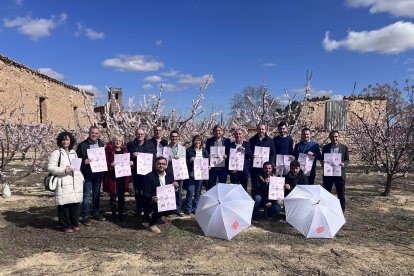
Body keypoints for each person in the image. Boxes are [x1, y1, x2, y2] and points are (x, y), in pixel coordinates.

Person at [47, 131, 84, 233]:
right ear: (60, 141)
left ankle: (74, 223)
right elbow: (50, 167)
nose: (65, 142)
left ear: (70, 140)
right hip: (63, 181)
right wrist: (63, 170)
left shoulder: (73, 152)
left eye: (67, 139)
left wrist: (79, 174)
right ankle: (65, 225)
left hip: (74, 181)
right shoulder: (56, 153)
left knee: (75, 204)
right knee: (64, 204)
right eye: (63, 140)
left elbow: (76, 165)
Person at [76, 126, 105, 226]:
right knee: (86, 195)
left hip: (98, 173)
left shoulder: (101, 144)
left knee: (97, 194)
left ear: (99, 134)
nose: (94, 135)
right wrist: (84, 161)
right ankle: (85, 215)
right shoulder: (82, 145)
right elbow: (76, 159)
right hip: (87, 173)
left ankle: (96, 213)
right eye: (92, 133)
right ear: (89, 133)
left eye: (96, 133)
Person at [143, 156, 179, 234]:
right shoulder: (149, 176)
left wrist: (175, 187)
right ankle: (151, 224)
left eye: (163, 164)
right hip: (153, 201)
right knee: (158, 207)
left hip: (165, 200)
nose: (161, 166)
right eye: (159, 164)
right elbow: (145, 193)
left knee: (173, 210)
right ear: (155, 165)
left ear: (166, 165)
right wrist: (152, 198)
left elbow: (172, 190)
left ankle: (156, 215)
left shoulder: (170, 175)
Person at [127, 128, 156, 218]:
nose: (140, 136)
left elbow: (154, 157)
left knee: (147, 192)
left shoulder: (150, 144)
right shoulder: (130, 145)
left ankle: (147, 210)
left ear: (144, 135)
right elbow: (126, 156)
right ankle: (139, 209)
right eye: (138, 134)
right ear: (135, 135)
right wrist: (132, 156)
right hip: (136, 173)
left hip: (147, 173)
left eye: (142, 134)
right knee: (138, 192)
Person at [103, 134, 131, 222]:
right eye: (116, 140)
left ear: (122, 142)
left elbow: (128, 163)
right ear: (113, 141)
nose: (118, 142)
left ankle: (121, 214)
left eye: (119, 140)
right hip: (112, 177)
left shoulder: (125, 151)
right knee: (113, 196)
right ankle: (114, 214)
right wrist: (110, 165)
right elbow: (103, 162)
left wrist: (131, 163)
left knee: (121, 197)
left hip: (122, 177)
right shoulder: (108, 150)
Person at [321, 130, 349, 212]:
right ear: (330, 137)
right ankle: (326, 210)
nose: (334, 138)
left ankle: (341, 211)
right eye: (332, 136)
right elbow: (323, 159)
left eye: (336, 136)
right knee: (326, 193)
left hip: (339, 174)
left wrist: (344, 164)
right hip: (328, 174)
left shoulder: (344, 148)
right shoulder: (325, 148)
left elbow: (347, 160)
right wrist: (322, 162)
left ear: (338, 137)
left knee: (341, 194)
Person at [249, 123, 276, 195]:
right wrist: (252, 155)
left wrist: (271, 164)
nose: (261, 131)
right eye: (259, 129)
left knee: (267, 184)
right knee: (255, 185)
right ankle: (255, 201)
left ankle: (266, 201)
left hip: (266, 168)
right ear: (257, 130)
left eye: (263, 129)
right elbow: (249, 152)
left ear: (266, 130)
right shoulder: (252, 140)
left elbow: (273, 153)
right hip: (255, 167)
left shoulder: (270, 140)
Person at [165, 130, 187, 216]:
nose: (174, 138)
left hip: (179, 172)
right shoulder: (166, 148)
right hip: (169, 173)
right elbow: (164, 160)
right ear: (170, 137)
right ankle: (168, 210)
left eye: (176, 136)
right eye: (173, 136)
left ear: (178, 137)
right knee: (169, 191)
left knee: (179, 191)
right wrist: (172, 158)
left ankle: (178, 209)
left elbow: (184, 160)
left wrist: (180, 158)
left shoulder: (182, 148)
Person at [185, 135, 208, 214]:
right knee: (190, 190)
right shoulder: (189, 150)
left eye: (199, 140)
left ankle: (196, 207)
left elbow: (206, 162)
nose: (197, 142)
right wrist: (190, 160)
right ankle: (188, 208)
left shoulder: (204, 151)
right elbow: (185, 162)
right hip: (192, 174)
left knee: (198, 191)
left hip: (201, 175)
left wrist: (208, 166)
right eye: (196, 140)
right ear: (193, 141)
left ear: (201, 142)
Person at [206, 124, 231, 190]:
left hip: (223, 168)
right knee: (211, 186)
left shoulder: (227, 141)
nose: (218, 132)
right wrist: (208, 156)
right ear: (213, 132)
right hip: (212, 168)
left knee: (222, 186)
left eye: (219, 130)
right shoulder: (209, 141)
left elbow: (229, 152)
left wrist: (226, 156)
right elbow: (206, 152)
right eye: (216, 130)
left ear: (222, 132)